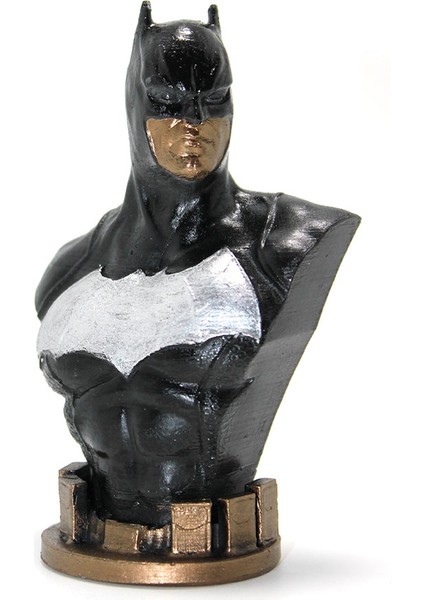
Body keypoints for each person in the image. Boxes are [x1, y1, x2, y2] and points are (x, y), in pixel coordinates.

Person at [36, 3, 360, 530]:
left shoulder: (285, 242)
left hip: (217, 529)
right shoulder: (73, 267)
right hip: (93, 534)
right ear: (134, 105)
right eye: (168, 103)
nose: (195, 125)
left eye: (214, 101)